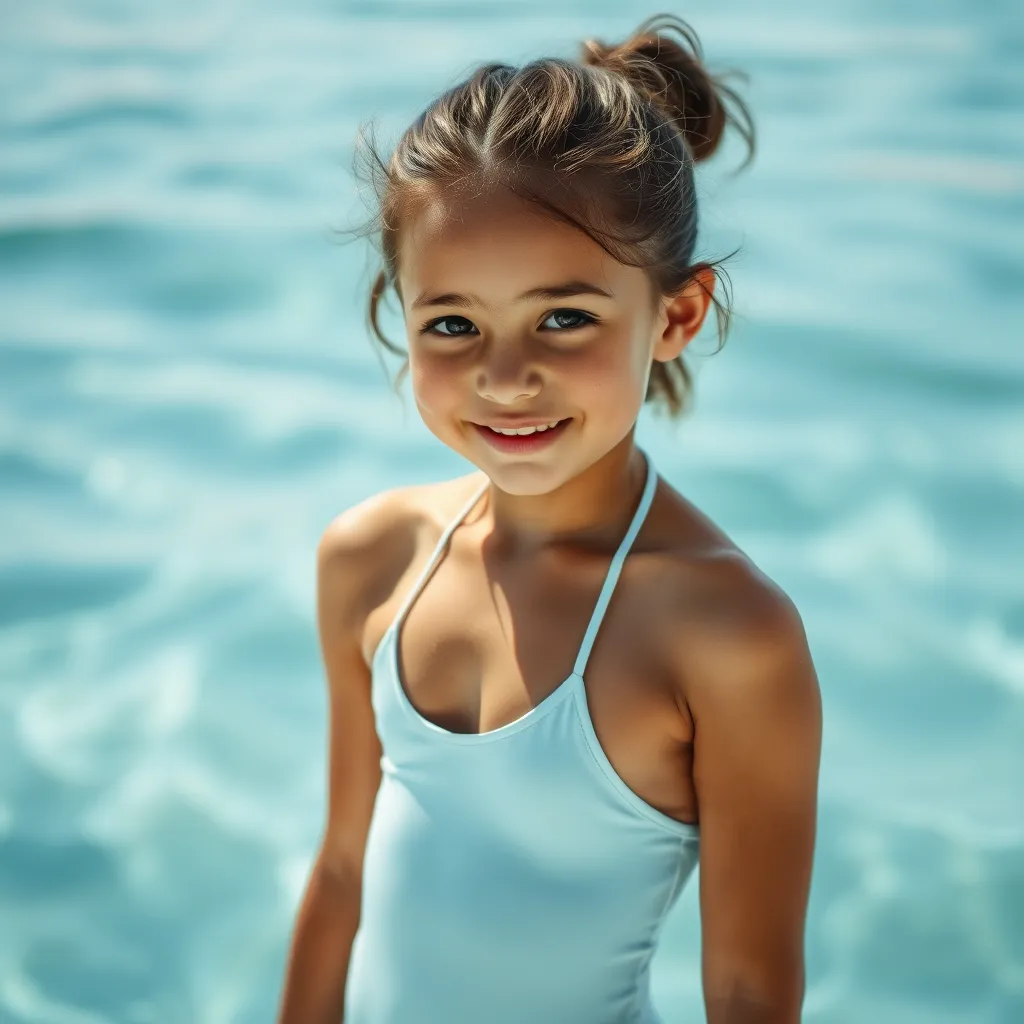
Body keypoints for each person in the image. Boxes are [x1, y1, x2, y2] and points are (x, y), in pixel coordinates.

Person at [276, 12, 822, 1024]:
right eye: (452, 324)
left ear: (675, 316)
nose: (503, 376)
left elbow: (748, 991)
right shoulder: (371, 559)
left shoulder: (726, 632)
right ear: (400, 314)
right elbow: (346, 871)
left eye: (563, 316)